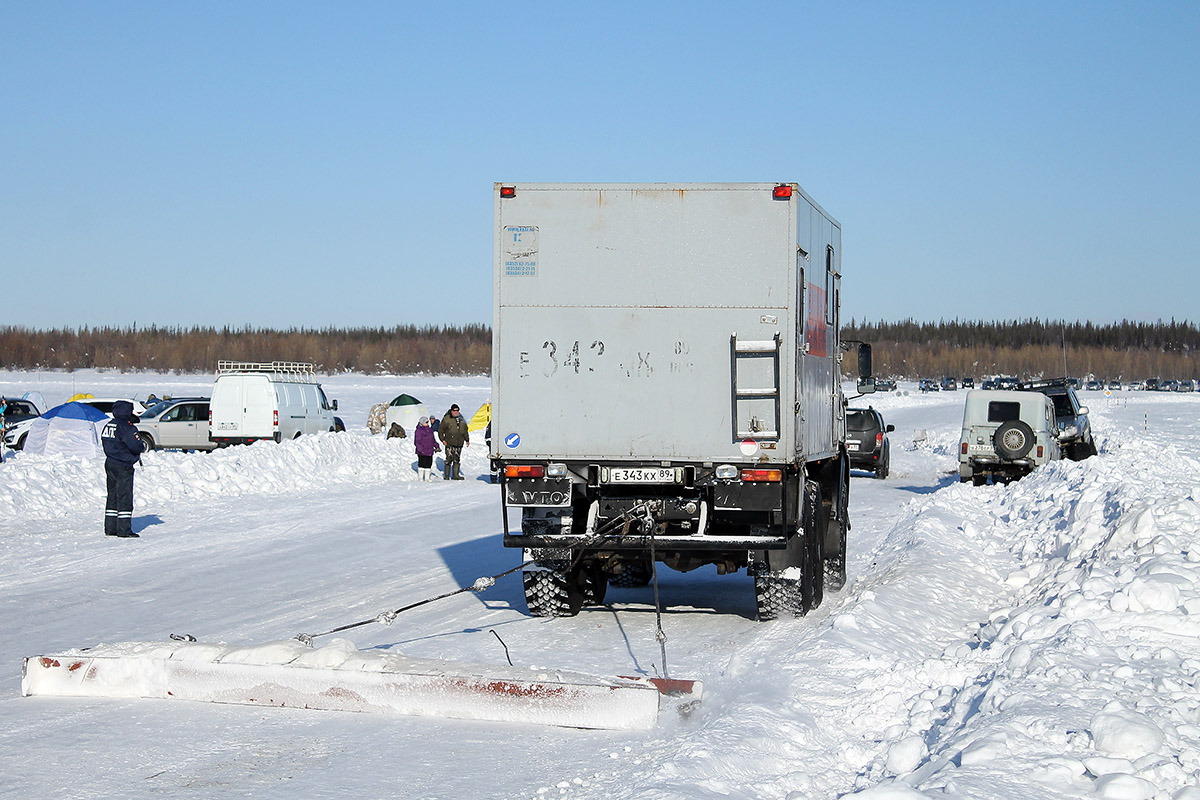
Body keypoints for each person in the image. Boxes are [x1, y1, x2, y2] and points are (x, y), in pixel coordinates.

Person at [101, 400, 145, 538]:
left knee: (112, 496)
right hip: (123, 465)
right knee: (124, 496)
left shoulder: (109, 424)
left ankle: (110, 527)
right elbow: (137, 446)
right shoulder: (127, 427)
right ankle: (124, 530)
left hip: (110, 462)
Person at [438, 404, 470, 480]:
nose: (456, 412)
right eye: (454, 410)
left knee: (457, 459)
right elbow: (440, 430)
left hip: (459, 442)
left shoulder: (461, 420)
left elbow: (465, 430)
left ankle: (455, 475)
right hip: (449, 442)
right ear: (451, 411)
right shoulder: (447, 419)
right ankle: (447, 476)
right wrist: (442, 439)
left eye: (457, 410)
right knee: (449, 459)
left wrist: (467, 439)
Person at [414, 416, 440, 482]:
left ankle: (427, 478)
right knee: (422, 463)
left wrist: (436, 445)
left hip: (429, 450)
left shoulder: (430, 430)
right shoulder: (419, 430)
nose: (427, 423)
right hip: (422, 451)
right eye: (426, 422)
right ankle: (420, 477)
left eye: (427, 422)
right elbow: (417, 441)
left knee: (428, 463)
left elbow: (433, 439)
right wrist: (420, 449)